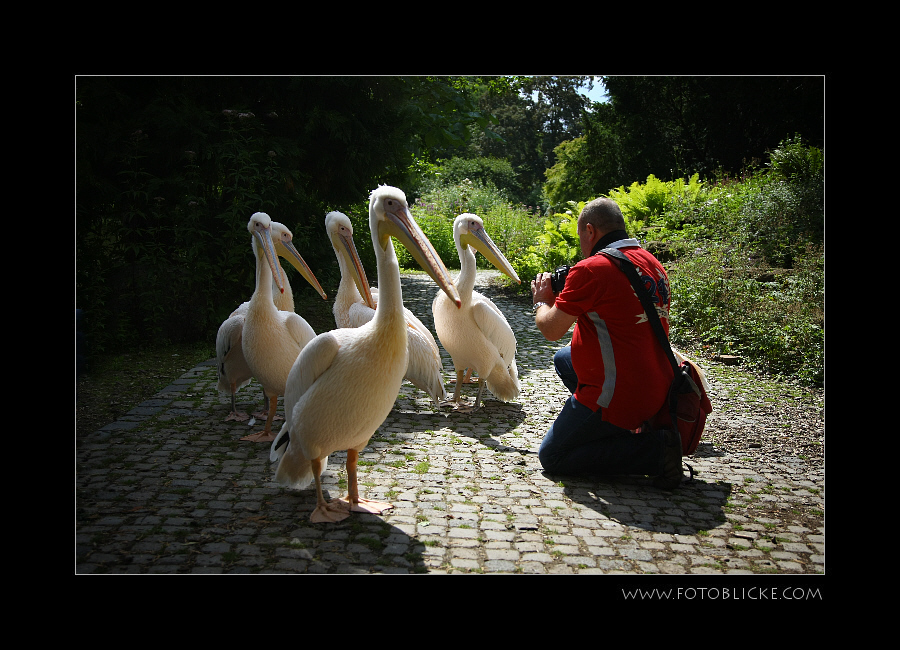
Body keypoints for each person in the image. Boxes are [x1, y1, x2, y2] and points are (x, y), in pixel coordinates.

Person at [530, 197, 682, 489]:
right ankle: (615, 426)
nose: (581, 249)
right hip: (660, 386)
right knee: (564, 358)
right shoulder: (653, 264)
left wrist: (542, 301)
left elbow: (550, 329)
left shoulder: (591, 269)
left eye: (580, 239)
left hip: (620, 393)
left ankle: (655, 451)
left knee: (553, 455)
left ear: (590, 231)